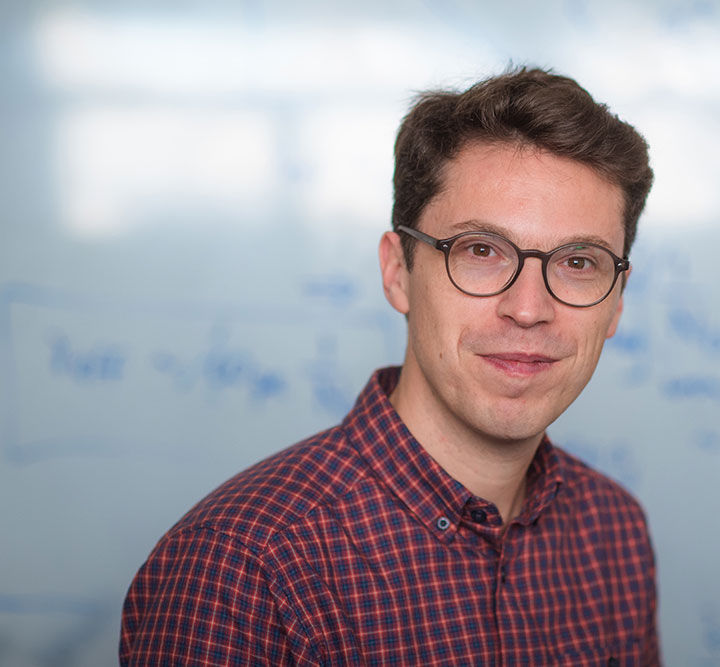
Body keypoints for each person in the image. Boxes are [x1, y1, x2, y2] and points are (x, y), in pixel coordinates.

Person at [120, 66, 659, 666]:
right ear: (398, 272)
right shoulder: (243, 568)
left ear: (616, 300)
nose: (528, 309)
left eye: (578, 262)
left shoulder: (615, 532)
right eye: (480, 251)